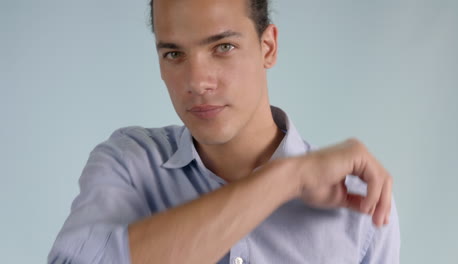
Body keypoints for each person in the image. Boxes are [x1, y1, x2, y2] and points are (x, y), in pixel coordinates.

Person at [48, 0, 400, 263]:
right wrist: (287, 178)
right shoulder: (129, 162)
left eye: (223, 47)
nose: (197, 82)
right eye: (174, 54)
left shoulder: (360, 201)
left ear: (268, 47)